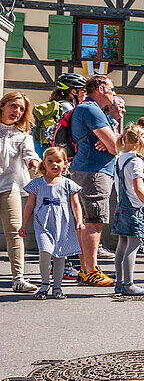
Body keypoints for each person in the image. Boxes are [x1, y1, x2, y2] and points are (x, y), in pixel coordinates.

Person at [68, 74, 120, 287]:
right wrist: (114, 141)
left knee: (86, 220)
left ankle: (86, 269)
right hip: (94, 171)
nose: (114, 93)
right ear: (100, 89)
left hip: (87, 169)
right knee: (94, 221)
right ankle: (91, 270)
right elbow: (115, 146)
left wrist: (112, 140)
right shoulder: (91, 109)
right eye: (111, 89)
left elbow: (113, 143)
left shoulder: (86, 109)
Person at [19, 148, 84, 299]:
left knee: (60, 255)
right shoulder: (36, 183)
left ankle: (57, 287)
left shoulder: (69, 184)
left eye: (58, 161)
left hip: (63, 225)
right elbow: (29, 205)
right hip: (43, 224)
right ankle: (44, 284)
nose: (54, 164)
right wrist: (23, 225)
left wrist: (79, 221)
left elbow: (76, 205)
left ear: (65, 164)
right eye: (50, 161)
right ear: (44, 163)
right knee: (45, 252)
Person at [0, 92, 40, 292]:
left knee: (15, 232)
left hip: (9, 186)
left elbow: (30, 155)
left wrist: (34, 163)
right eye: (13, 106)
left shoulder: (23, 136)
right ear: (2, 105)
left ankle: (18, 279)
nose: (17, 111)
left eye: (21, 108)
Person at [111, 125, 144, 295]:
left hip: (121, 205)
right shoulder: (136, 161)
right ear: (140, 141)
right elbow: (138, 188)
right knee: (133, 245)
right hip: (134, 208)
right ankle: (129, 284)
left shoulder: (120, 158)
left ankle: (120, 282)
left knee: (122, 245)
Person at [31, 73, 85, 156]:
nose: (85, 94)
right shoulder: (67, 107)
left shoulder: (57, 104)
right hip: (55, 152)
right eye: (83, 90)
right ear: (74, 92)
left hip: (43, 149)